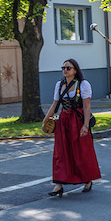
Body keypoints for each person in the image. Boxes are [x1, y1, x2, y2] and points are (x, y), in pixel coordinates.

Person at [44, 58, 101, 196]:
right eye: (63, 67)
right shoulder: (59, 85)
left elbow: (87, 107)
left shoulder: (83, 84)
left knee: (82, 151)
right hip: (64, 121)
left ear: (75, 70)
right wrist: (45, 120)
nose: (65, 70)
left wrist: (85, 126)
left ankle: (87, 180)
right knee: (61, 151)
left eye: (68, 68)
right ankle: (58, 184)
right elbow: (54, 105)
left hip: (78, 120)